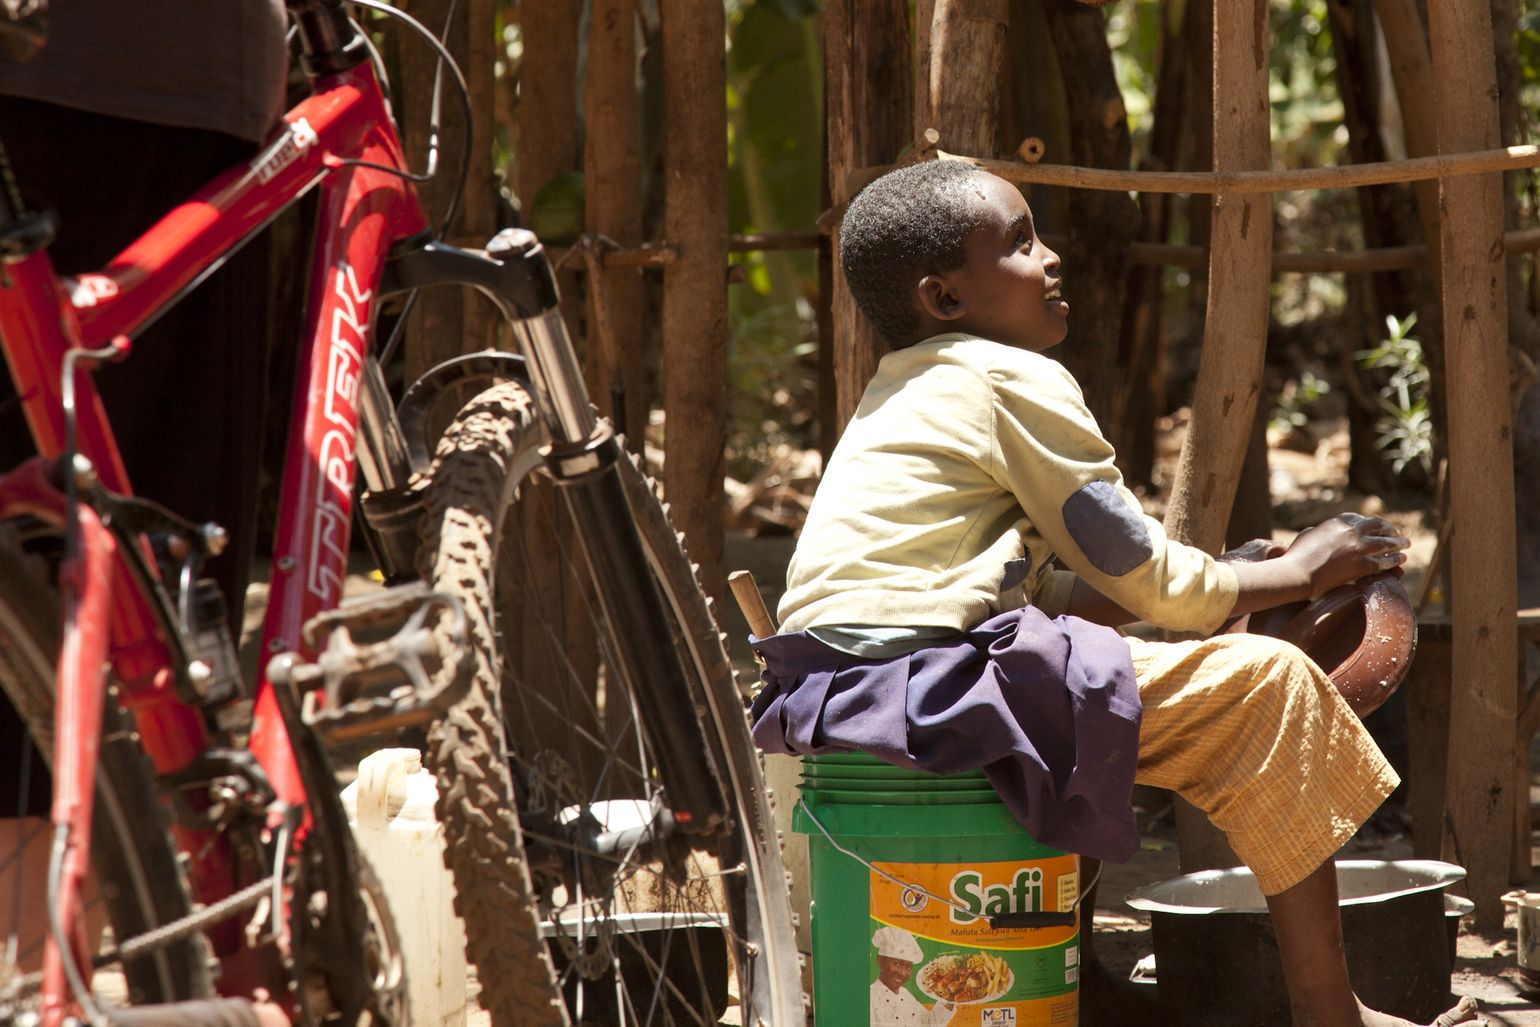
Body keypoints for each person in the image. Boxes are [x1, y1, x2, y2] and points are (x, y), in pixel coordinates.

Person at [751, 160, 1480, 1027]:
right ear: (945, 298)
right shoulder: (1008, 377)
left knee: (1120, 672)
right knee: (1268, 688)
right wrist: (1300, 571)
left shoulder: (899, 390)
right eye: (1021, 243)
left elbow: (1048, 586)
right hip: (933, 683)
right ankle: (1333, 1014)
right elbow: (1145, 570)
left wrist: (1216, 581)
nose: (1052, 257)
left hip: (838, 693)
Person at [870, 926, 954, 1027]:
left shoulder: (905, 995)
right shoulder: (869, 998)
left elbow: (930, 1024)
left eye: (908, 968)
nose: (902, 973)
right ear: (880, 960)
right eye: (897, 964)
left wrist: (951, 997)